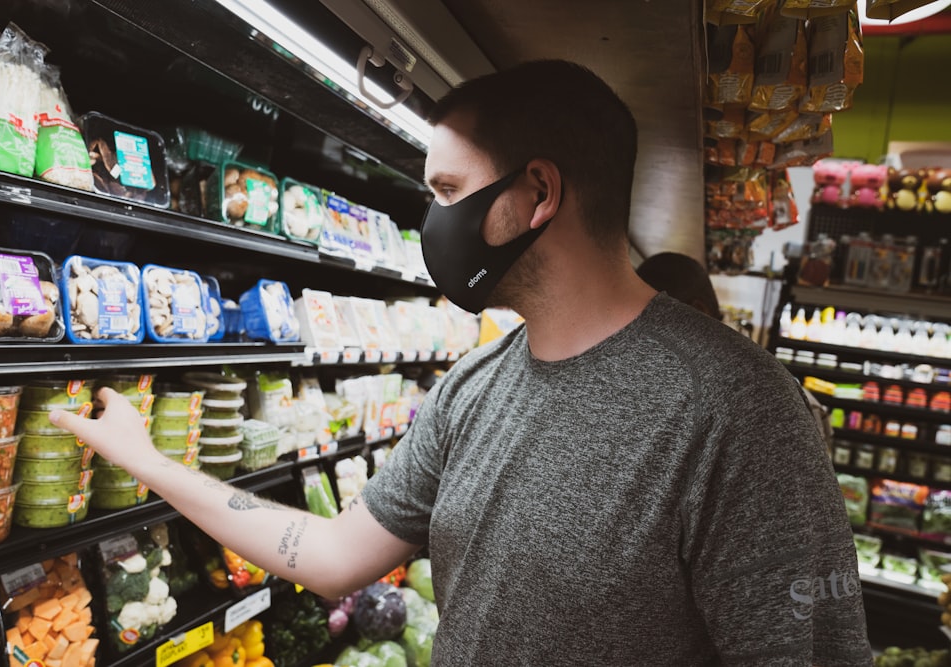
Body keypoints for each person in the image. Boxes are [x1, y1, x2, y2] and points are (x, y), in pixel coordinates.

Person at [51, 60, 872, 665]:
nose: (431, 219)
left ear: (537, 195)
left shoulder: (741, 412)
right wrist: (148, 460)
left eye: (446, 191)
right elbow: (335, 553)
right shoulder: (473, 389)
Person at [637, 251, 834, 444]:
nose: (642, 343)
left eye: (653, 324)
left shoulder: (763, 401)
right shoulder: (681, 390)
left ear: (696, 312)